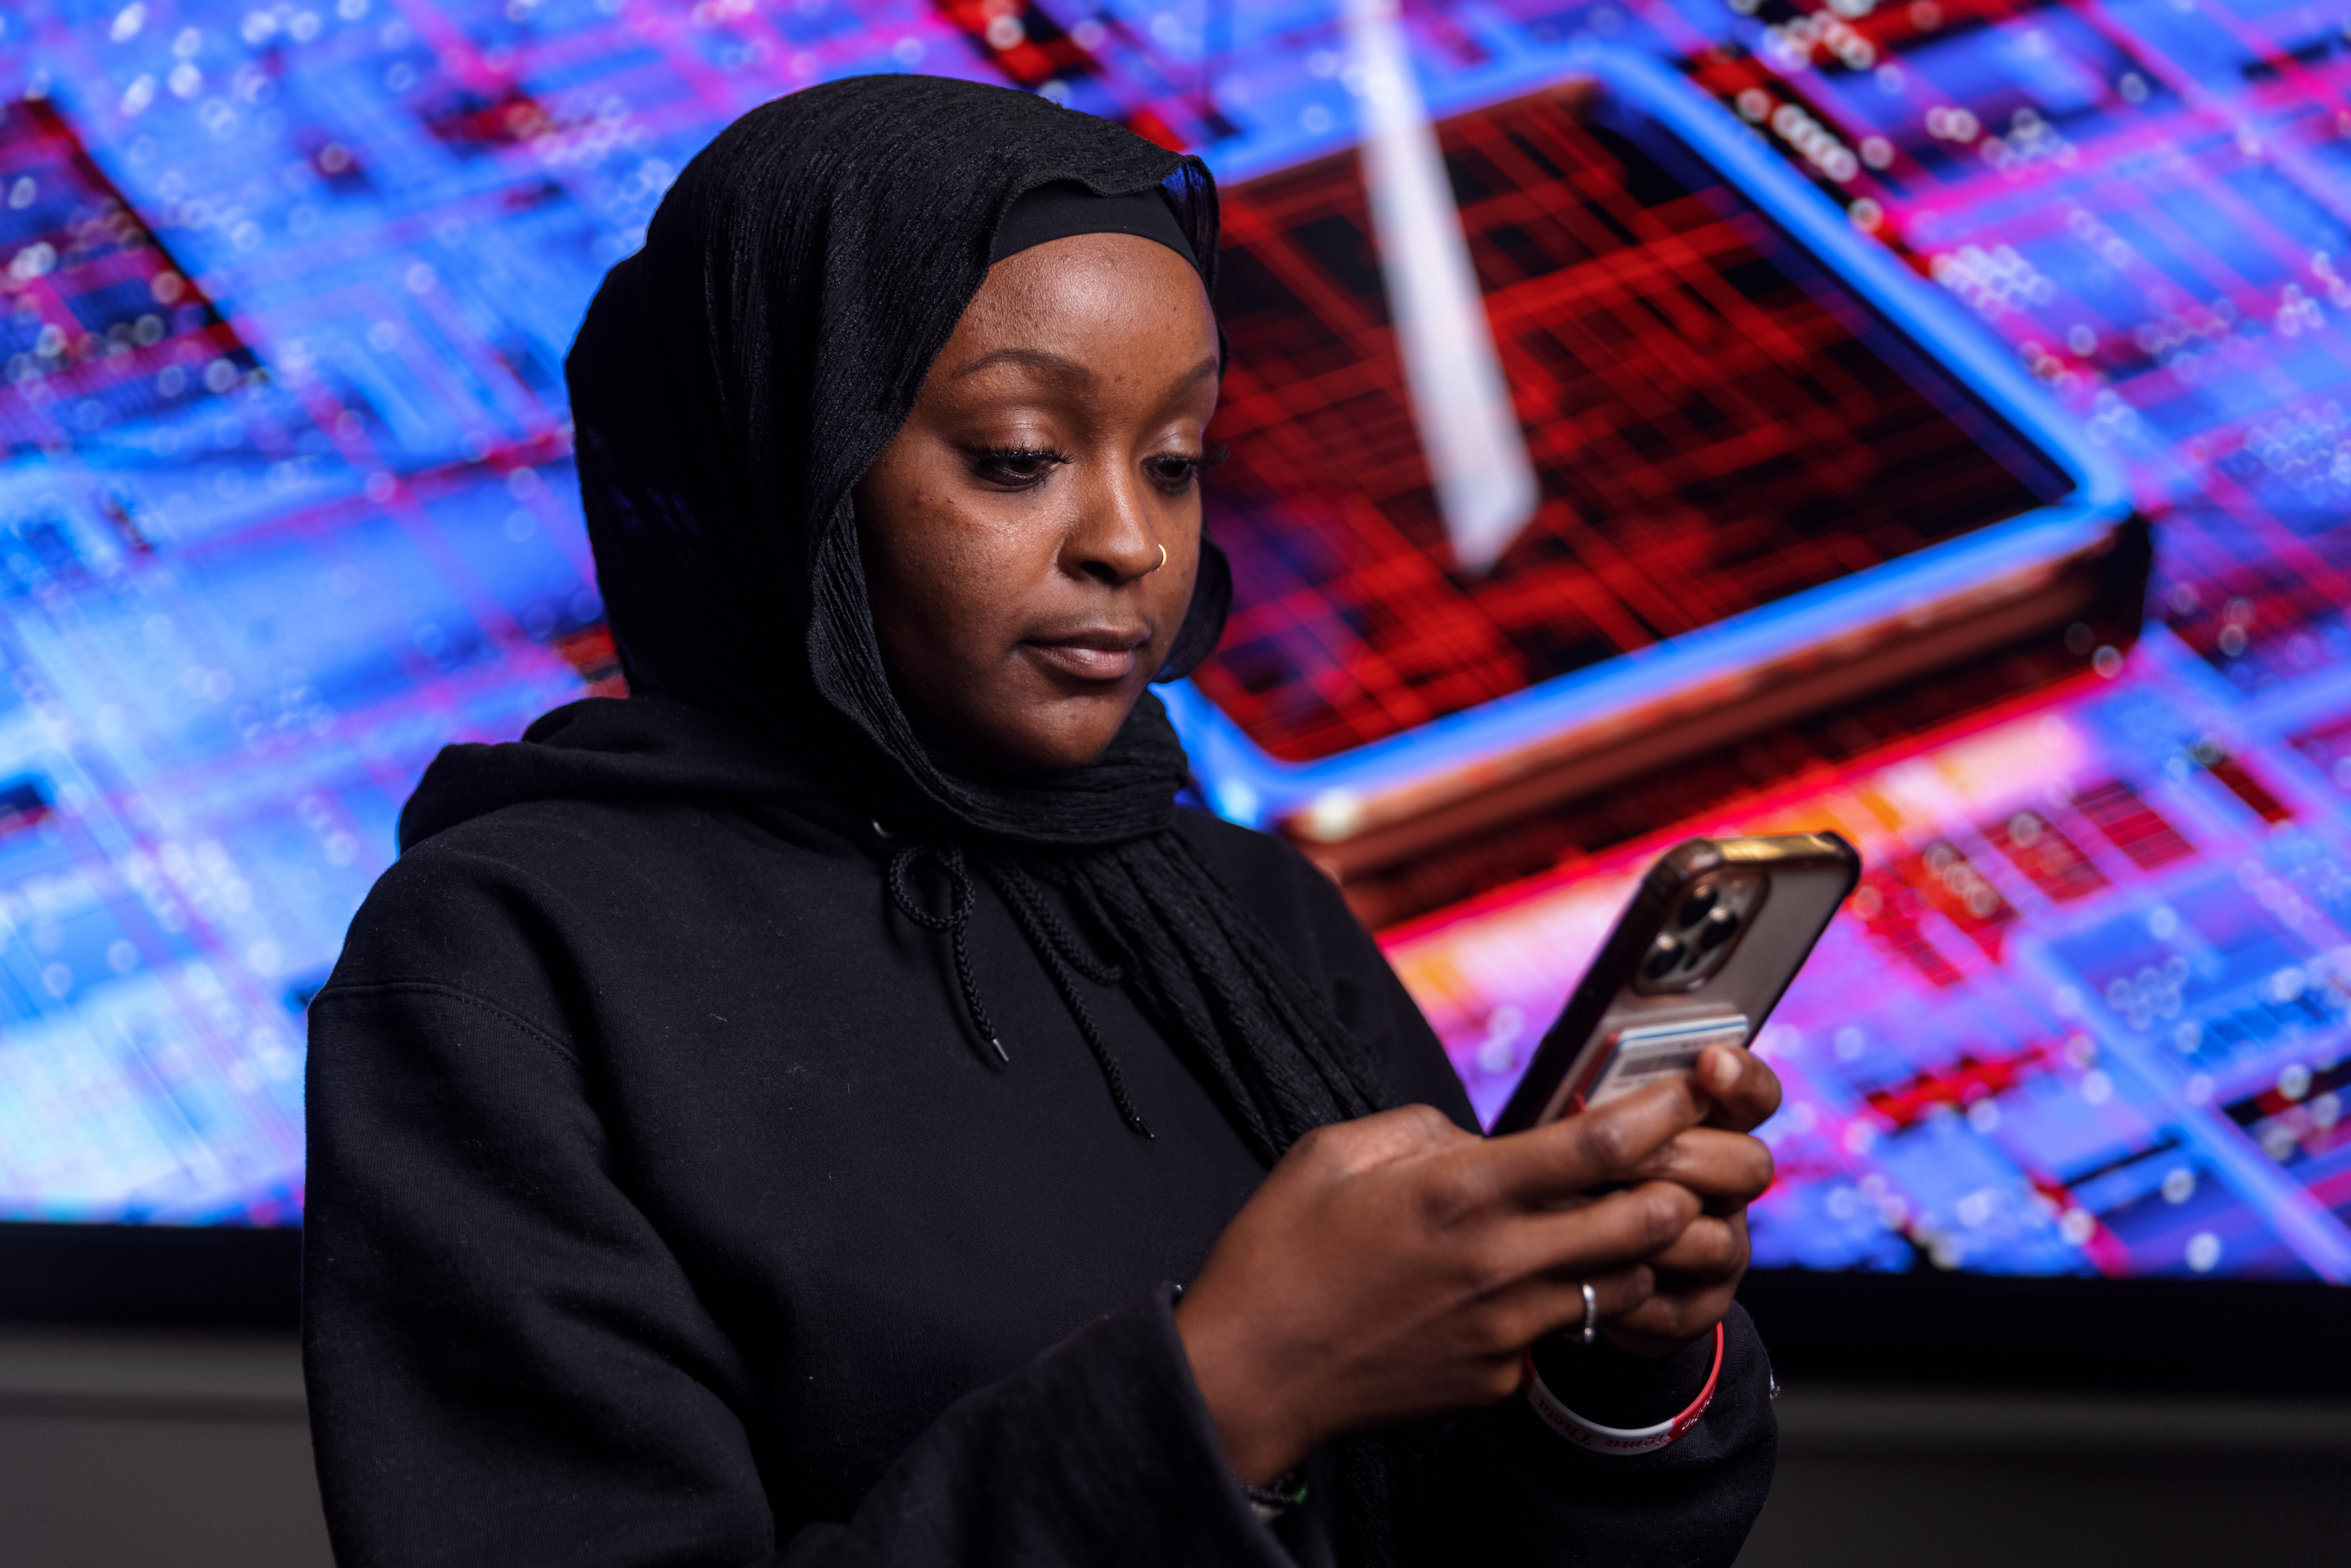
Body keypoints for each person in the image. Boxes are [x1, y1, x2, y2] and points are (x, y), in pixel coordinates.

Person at [302, 73, 1783, 1567]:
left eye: (1176, 460)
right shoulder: (510, 954)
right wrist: (1229, 1392)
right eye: (1018, 455)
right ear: (781, 460)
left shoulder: (1247, 910)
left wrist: (1611, 1363)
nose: (1130, 542)